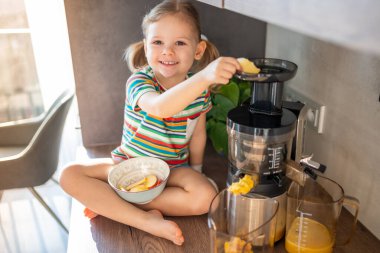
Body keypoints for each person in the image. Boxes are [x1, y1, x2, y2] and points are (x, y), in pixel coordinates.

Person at [60, 0, 241, 246]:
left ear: (198, 50)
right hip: (128, 165)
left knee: (209, 198)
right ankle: (145, 220)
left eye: (179, 43)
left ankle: (120, 202)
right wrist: (205, 76)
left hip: (174, 169)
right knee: (69, 175)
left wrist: (197, 171)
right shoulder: (139, 82)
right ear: (146, 47)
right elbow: (159, 107)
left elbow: (198, 134)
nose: (167, 51)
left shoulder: (200, 92)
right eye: (158, 42)